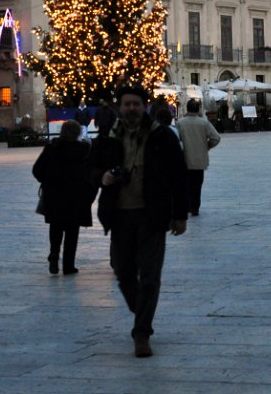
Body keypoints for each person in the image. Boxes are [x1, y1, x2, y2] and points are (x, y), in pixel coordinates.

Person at [87, 85, 188, 358]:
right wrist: (102, 177)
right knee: (123, 272)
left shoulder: (162, 136)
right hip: (119, 214)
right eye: (127, 104)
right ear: (120, 107)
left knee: (150, 276)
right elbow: (90, 168)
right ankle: (141, 308)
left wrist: (180, 214)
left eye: (136, 104)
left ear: (145, 106)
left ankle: (142, 332)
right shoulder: (107, 137)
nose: (131, 108)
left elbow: (179, 176)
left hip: (152, 215)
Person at [32, 119, 94, 275]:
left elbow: (37, 170)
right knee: (72, 230)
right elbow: (91, 173)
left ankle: (54, 254)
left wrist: (47, 181)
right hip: (76, 196)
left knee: (56, 226)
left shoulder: (52, 147)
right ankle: (68, 265)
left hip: (54, 195)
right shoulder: (85, 149)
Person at [177, 98, 221, 217]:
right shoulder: (204, 123)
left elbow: (176, 139)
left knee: (186, 184)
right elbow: (216, 138)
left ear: (187, 108)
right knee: (197, 185)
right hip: (199, 160)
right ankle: (195, 208)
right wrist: (207, 146)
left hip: (185, 159)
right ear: (198, 109)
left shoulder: (180, 123)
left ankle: (187, 206)